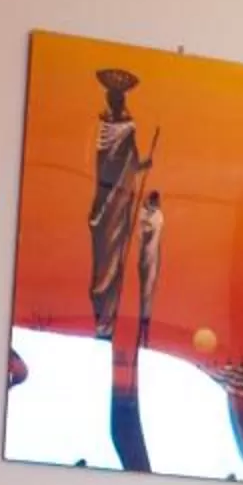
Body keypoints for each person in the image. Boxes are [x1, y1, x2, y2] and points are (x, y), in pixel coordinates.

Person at [85, 68, 153, 342]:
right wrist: (139, 166)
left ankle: (105, 321)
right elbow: (120, 165)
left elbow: (126, 164)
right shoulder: (119, 130)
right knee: (108, 262)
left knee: (107, 261)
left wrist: (140, 166)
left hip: (111, 206)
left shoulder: (113, 129)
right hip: (111, 207)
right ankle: (104, 322)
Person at [135, 187, 165, 350]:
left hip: (152, 256)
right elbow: (142, 232)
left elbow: (150, 233)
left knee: (148, 290)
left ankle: (145, 323)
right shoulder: (143, 214)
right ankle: (142, 324)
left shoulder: (157, 217)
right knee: (144, 290)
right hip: (144, 257)